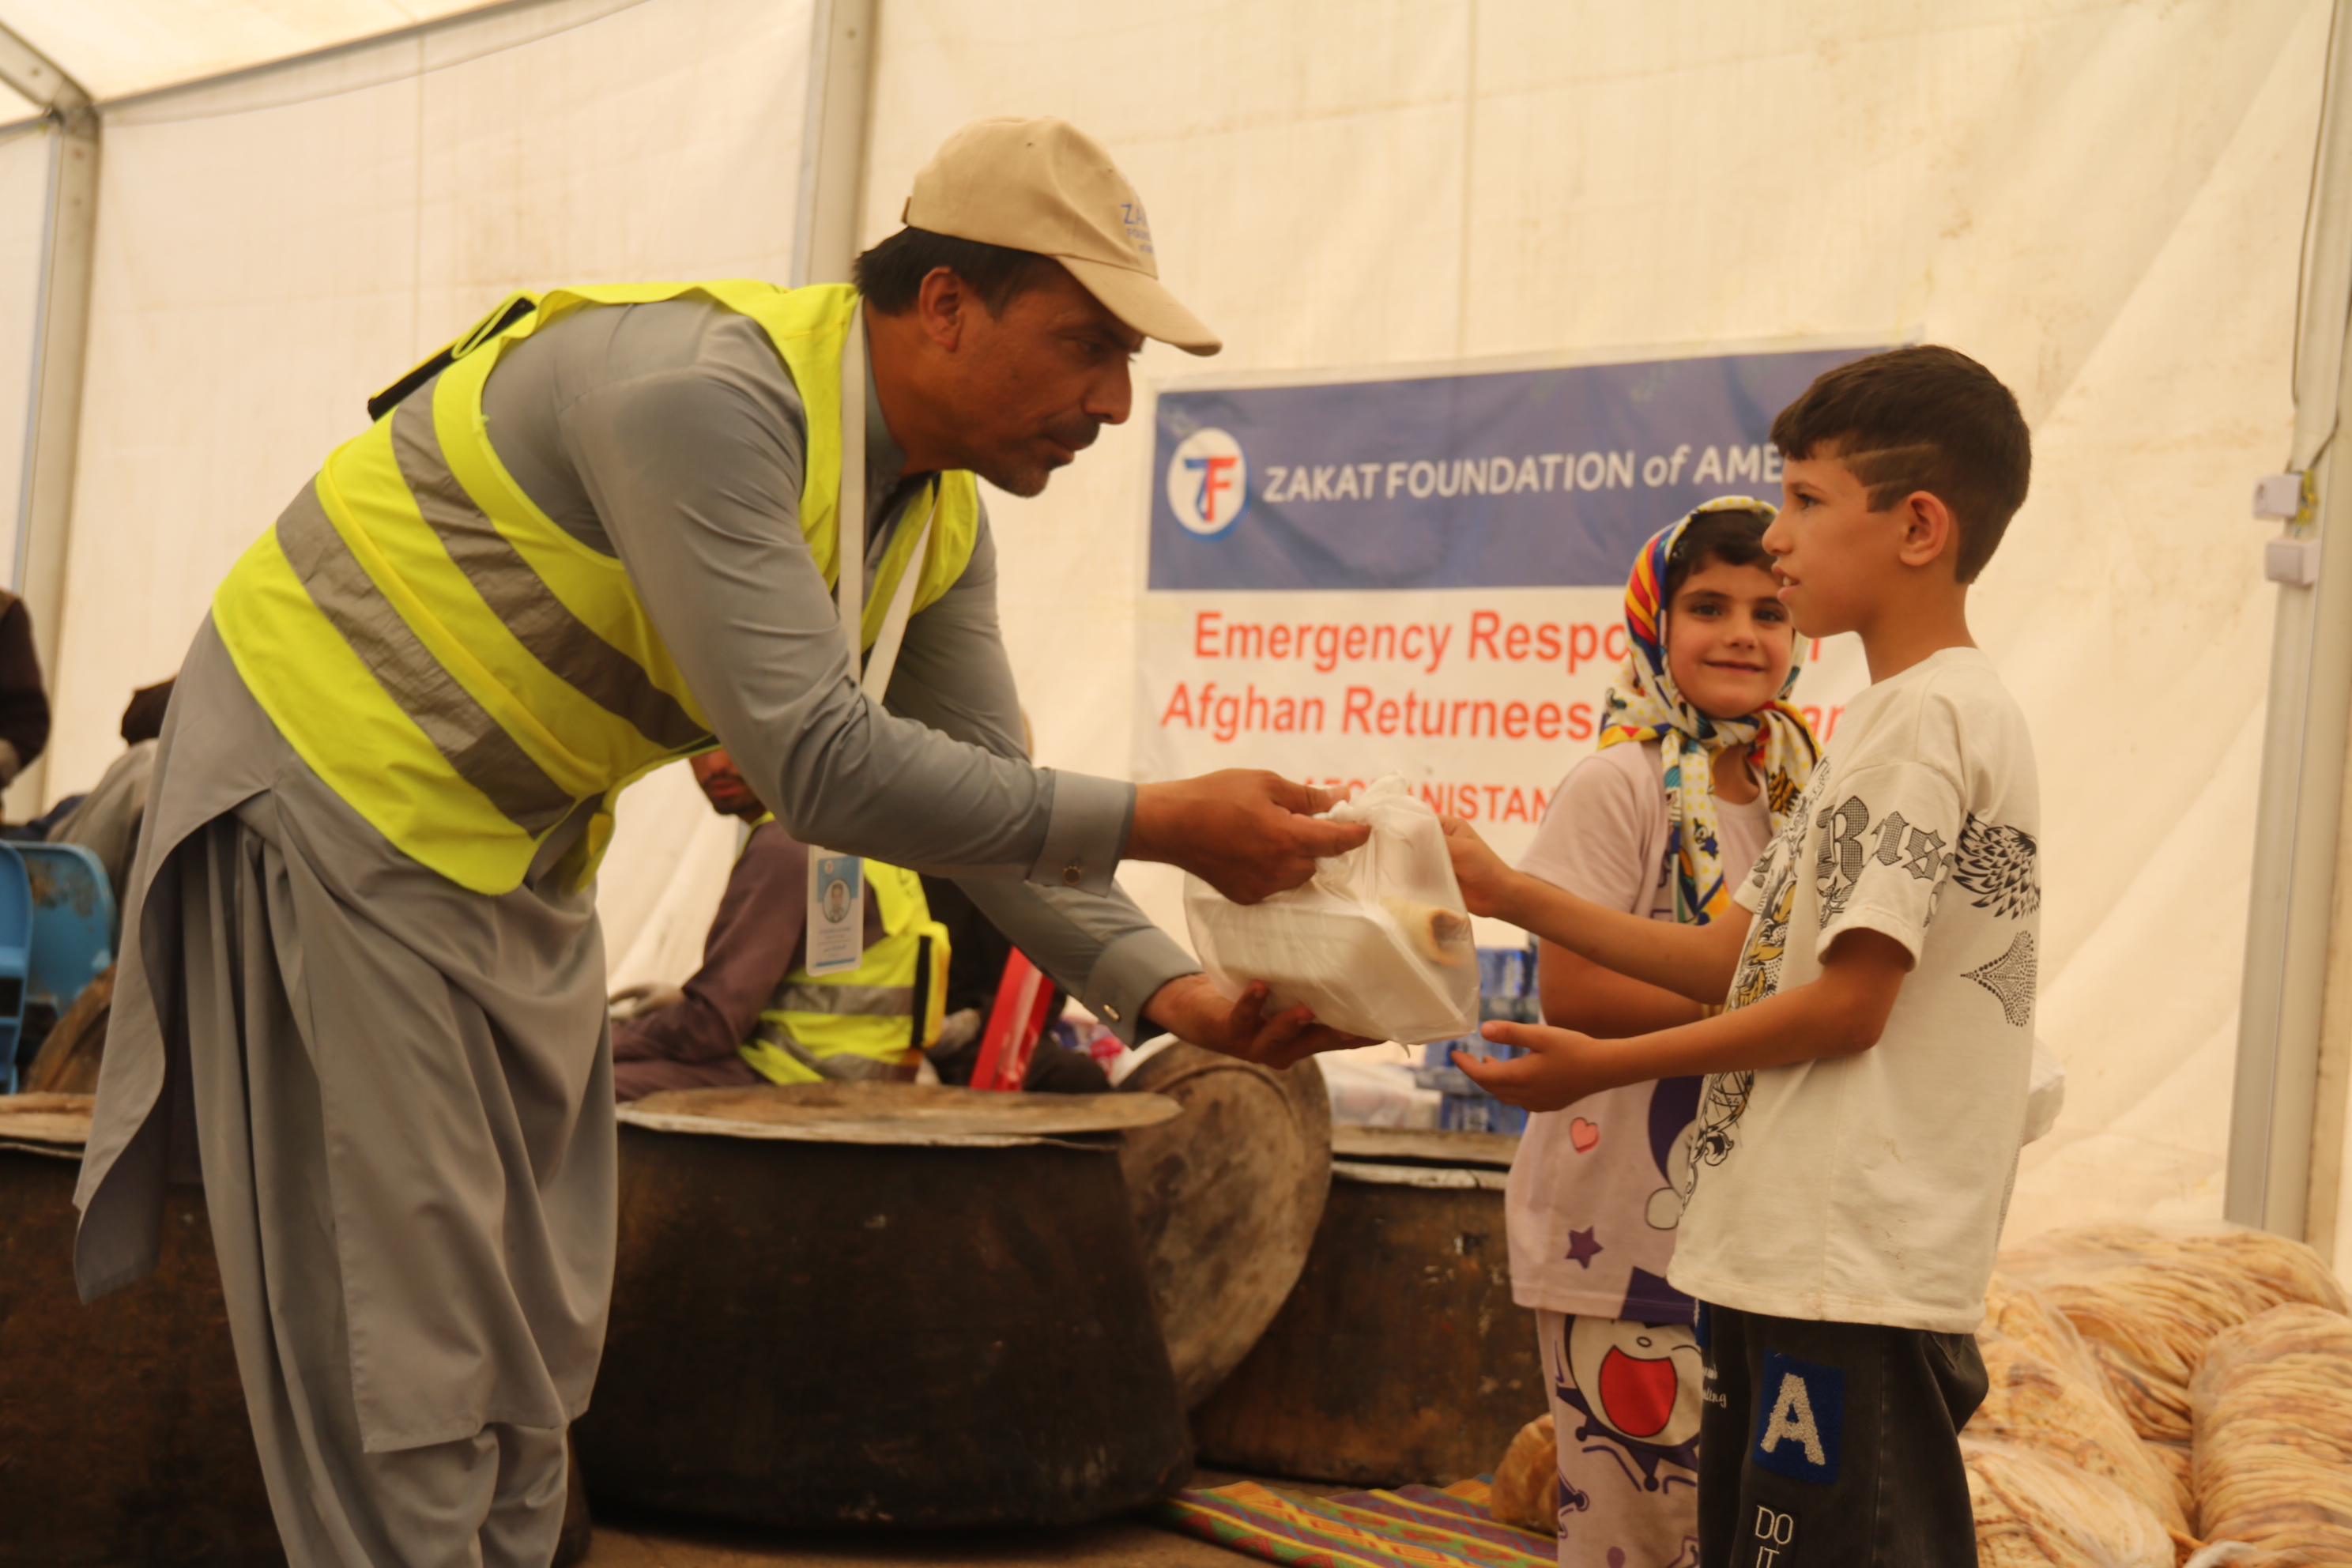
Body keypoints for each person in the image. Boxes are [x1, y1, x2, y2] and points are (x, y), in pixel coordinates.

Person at [72, 115, 1371, 1566]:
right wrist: (1168, 820)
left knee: (533, 1314)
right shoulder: (705, 395)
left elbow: (990, 806)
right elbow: (819, 763)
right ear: (944, 304)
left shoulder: (930, 519)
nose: (1117, 402)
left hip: (507, 841)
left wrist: (1178, 998)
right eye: (1086, 343)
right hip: (324, 785)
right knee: (409, 1325)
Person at [1446, 345, 2036, 1568]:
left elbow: (1847, 1007)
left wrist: (1592, 1069)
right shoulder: (1874, 727)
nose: (1778, 543)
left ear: (1919, 527)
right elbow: (1743, 962)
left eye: (1806, 504)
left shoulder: (1918, 723)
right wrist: (1512, 892)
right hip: (1794, 1254)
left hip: (1843, 1260)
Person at [1506, 500, 1816, 1564]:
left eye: (1769, 610)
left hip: (1748, 1235)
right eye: (1707, 606)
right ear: (1653, 623)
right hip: (1621, 1237)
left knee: (1726, 1527)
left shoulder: (1802, 792)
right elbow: (1576, 995)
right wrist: (1769, 1013)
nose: (1742, 632)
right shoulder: (1621, 781)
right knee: (1635, 1528)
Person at [608, 748, 956, 1100]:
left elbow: (712, 1027)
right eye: (699, 749)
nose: (716, 765)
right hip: (864, 1072)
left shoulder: (786, 845)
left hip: (796, 1075)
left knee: (591, 1088)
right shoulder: (858, 829)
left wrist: (605, 1040)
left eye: (732, 741)